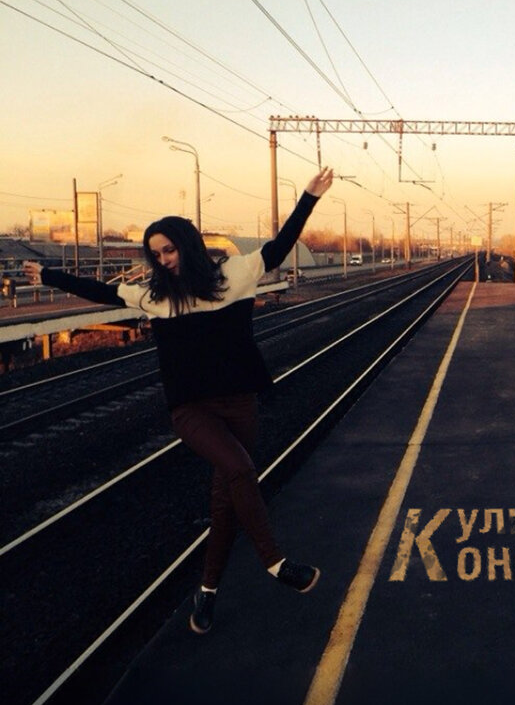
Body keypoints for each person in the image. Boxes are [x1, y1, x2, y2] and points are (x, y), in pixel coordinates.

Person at [23, 166, 335, 635]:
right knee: (240, 470)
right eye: (156, 254)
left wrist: (309, 197)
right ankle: (275, 564)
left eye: (169, 250)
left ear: (187, 245)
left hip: (239, 402)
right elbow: (100, 291)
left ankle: (206, 593)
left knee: (225, 501)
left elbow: (280, 244)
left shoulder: (236, 274)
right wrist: (48, 274)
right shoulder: (154, 296)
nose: (163, 260)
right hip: (192, 410)